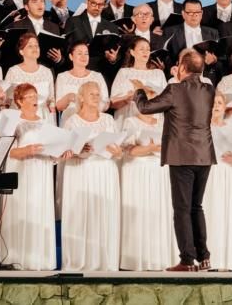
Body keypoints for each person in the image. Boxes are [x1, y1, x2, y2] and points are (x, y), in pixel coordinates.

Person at [134, 50, 216, 272]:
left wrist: (139, 91)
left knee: (182, 209)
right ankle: (204, 257)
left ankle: (187, 260)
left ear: (181, 68)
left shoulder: (175, 89)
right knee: (196, 207)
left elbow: (145, 107)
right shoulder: (209, 89)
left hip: (182, 155)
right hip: (204, 154)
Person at [61, 81, 124, 271]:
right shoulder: (72, 121)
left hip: (104, 170)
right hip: (80, 170)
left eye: (98, 94)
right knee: (81, 214)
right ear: (81, 97)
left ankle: (105, 261)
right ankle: (79, 261)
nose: (96, 97)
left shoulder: (108, 120)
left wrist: (115, 150)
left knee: (104, 213)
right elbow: (64, 151)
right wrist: (79, 150)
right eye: (92, 94)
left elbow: (119, 152)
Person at [1, 83, 60, 270]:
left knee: (39, 208)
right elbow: (6, 151)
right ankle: (18, 258)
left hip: (41, 169)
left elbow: (53, 147)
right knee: (23, 208)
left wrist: (60, 151)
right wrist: (26, 150)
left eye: (36, 96)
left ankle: (40, 260)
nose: (35, 100)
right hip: (22, 169)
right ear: (19, 101)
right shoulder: (13, 120)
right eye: (30, 97)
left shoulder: (45, 121)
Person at [120, 92, 177, 270]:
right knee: (141, 212)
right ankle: (138, 258)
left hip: (160, 171)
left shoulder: (165, 121)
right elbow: (128, 150)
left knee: (159, 212)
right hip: (138, 171)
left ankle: (159, 257)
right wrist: (149, 148)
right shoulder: (131, 122)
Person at [202, 91, 232, 271]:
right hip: (208, 172)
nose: (216, 105)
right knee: (209, 212)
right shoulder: (199, 127)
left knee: (225, 212)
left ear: (225, 106)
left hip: (227, 173)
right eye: (213, 103)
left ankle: (225, 260)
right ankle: (206, 258)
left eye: (219, 102)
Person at [64, 0, 122, 80]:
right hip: (78, 74)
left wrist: (113, 59)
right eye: (93, 3)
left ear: (105, 5)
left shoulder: (112, 27)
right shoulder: (73, 21)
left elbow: (116, 55)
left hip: (102, 75)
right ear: (87, 1)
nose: (97, 7)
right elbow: (66, 49)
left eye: (101, 4)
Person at [110, 36, 167, 129]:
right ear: (132, 52)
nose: (146, 52)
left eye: (148, 49)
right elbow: (112, 102)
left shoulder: (158, 73)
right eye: (141, 49)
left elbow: (166, 100)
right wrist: (127, 98)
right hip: (128, 116)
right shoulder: (124, 72)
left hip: (152, 118)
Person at [164, 0, 221, 83]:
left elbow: (222, 56)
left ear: (201, 13)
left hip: (206, 78)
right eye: (190, 12)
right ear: (183, 13)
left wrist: (214, 59)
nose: (194, 15)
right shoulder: (170, 32)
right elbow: (165, 56)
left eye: (197, 12)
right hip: (179, 78)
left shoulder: (212, 33)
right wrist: (171, 68)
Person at [55, 40, 108, 125]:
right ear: (71, 56)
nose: (84, 57)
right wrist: (68, 98)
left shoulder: (97, 76)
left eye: (86, 53)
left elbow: (105, 102)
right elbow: (58, 106)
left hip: (93, 121)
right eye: (79, 53)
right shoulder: (62, 77)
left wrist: (89, 110)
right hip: (70, 121)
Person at [9, 0, 64, 69]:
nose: (40, 5)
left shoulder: (54, 27)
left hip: (47, 74)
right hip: (24, 74)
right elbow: (10, 57)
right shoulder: (16, 26)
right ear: (26, 7)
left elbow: (61, 58)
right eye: (34, 2)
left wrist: (58, 59)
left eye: (42, 1)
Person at [4, 33, 55, 120]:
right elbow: (6, 100)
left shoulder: (47, 71)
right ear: (21, 51)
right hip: (19, 117)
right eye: (30, 46)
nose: (35, 48)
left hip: (42, 117)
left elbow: (51, 99)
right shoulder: (13, 71)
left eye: (36, 45)